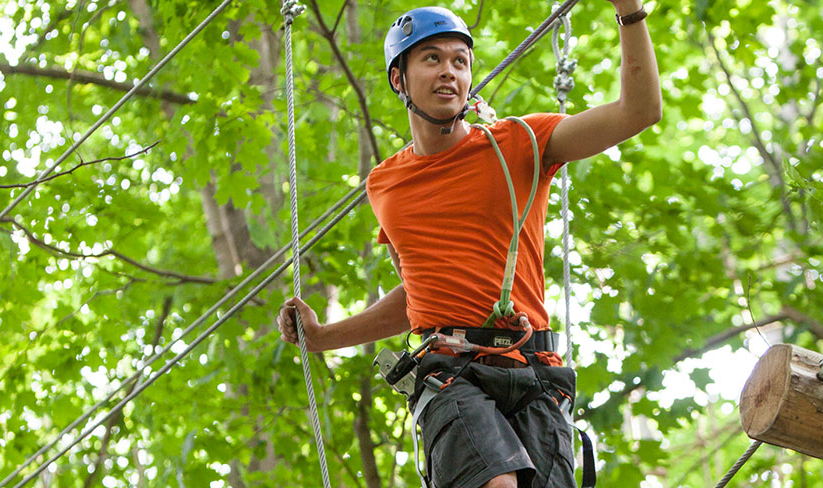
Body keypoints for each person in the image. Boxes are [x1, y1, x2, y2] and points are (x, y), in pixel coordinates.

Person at [276, 3, 659, 487]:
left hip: (535, 369)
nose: (449, 72)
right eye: (432, 59)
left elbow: (639, 111)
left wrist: (630, 13)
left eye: (460, 61)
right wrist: (322, 337)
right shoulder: (386, 185)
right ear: (400, 78)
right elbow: (420, 296)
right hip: (452, 372)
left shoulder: (521, 142)